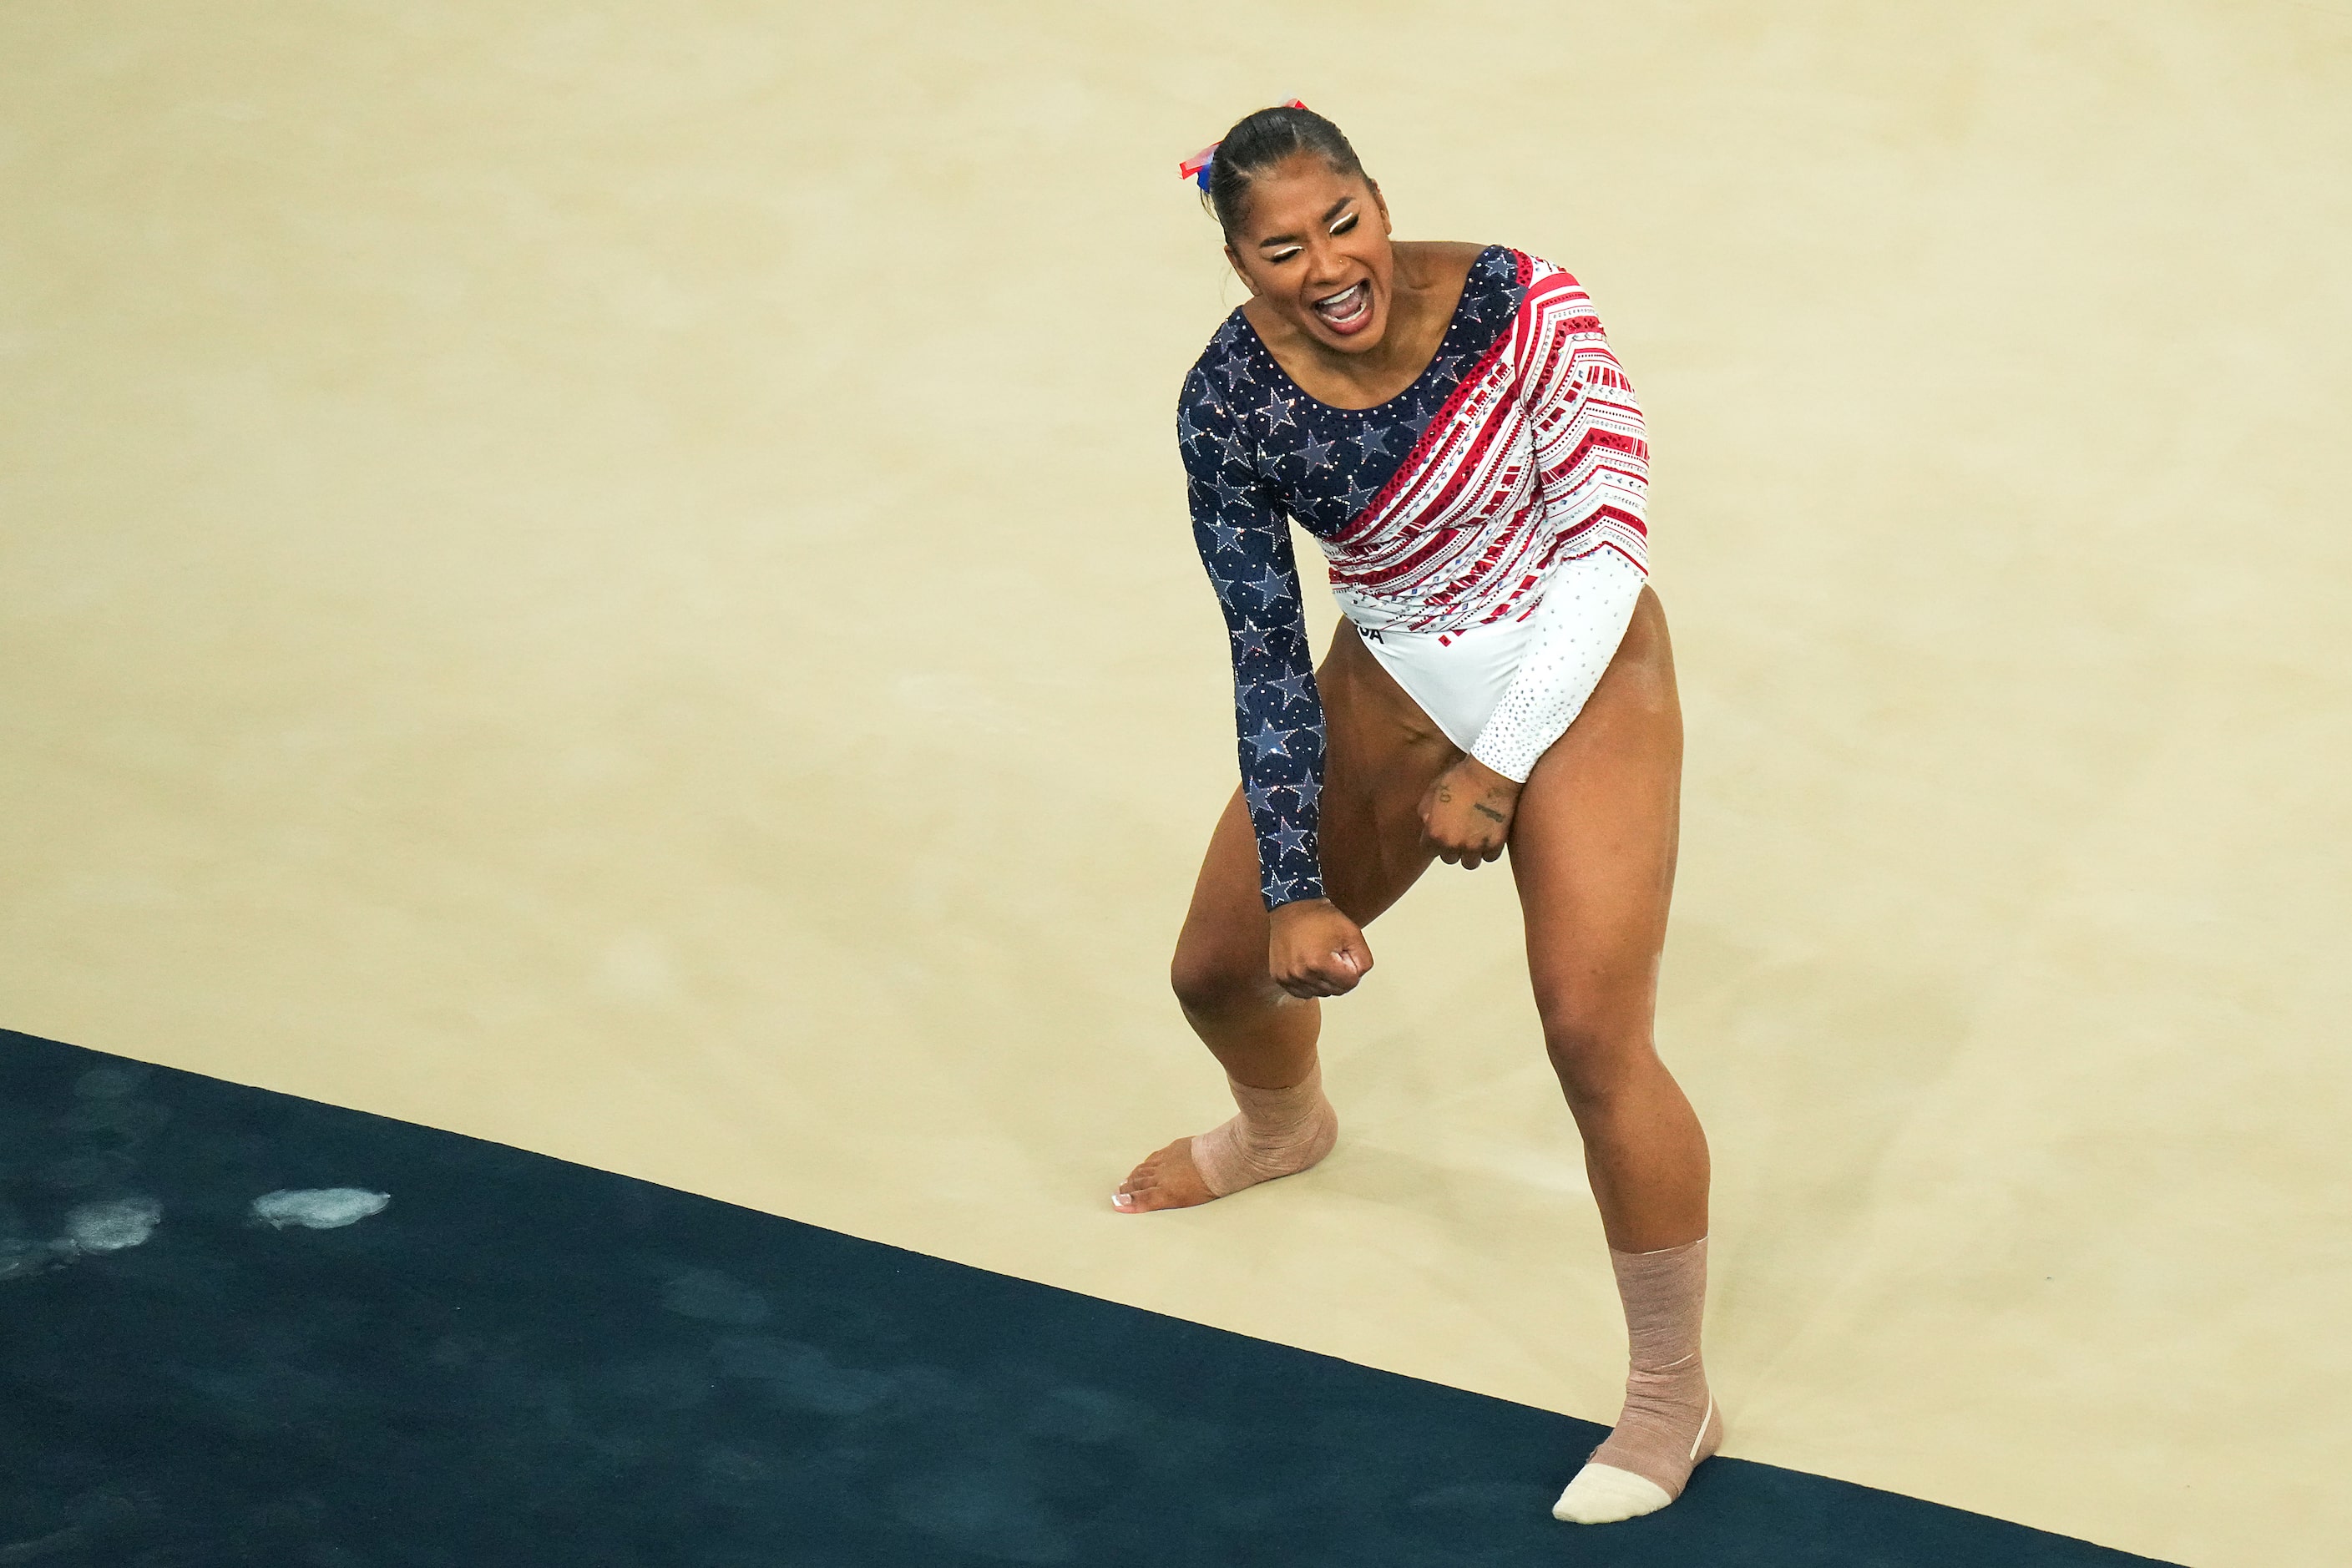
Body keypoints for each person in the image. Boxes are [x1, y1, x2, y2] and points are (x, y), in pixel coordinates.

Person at [1112, 104, 1722, 1525]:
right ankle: (1281, 1131)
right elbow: (1265, 648)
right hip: (1393, 669)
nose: (1326, 265)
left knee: (1587, 1030)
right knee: (1220, 967)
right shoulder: (1225, 404)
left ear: (1380, 203)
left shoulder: (1526, 306)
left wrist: (1498, 763)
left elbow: (1602, 553)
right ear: (1238, 261)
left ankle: (1669, 1392)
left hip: (1583, 668)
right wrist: (1291, 880)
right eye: (1281, 248)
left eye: (1344, 222)